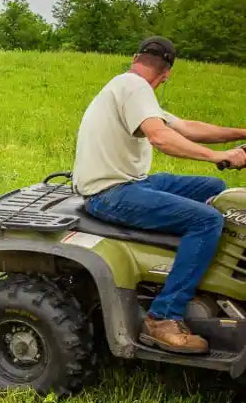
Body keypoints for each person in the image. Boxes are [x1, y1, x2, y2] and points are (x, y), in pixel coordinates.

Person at [72, 36, 246, 354]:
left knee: (215, 189)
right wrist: (216, 157)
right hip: (110, 193)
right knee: (207, 220)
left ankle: (195, 264)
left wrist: (242, 134)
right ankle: (163, 317)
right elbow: (161, 137)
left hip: (134, 183)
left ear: (136, 58)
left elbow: (188, 127)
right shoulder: (134, 88)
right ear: (166, 74)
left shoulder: (129, 88)